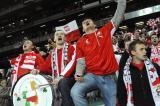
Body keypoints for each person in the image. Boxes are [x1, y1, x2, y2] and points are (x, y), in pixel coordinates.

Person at [70, 0, 126, 106]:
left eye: (89, 21)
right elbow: (81, 61)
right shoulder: (80, 42)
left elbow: (118, 16)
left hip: (108, 76)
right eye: (84, 22)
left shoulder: (106, 31)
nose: (86, 22)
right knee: (75, 92)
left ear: (94, 24)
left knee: (112, 104)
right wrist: (79, 73)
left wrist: (121, 2)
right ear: (83, 29)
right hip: (92, 75)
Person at [33, 30, 76, 106]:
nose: (59, 35)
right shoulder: (52, 53)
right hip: (56, 80)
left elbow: (72, 63)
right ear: (55, 39)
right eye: (57, 35)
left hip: (71, 78)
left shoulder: (71, 48)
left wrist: (61, 77)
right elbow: (46, 66)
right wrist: (37, 70)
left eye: (62, 34)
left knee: (63, 82)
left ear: (65, 38)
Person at [117, 40, 160, 106]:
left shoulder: (154, 67)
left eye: (145, 49)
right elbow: (121, 93)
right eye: (141, 49)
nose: (145, 51)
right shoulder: (124, 72)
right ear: (133, 52)